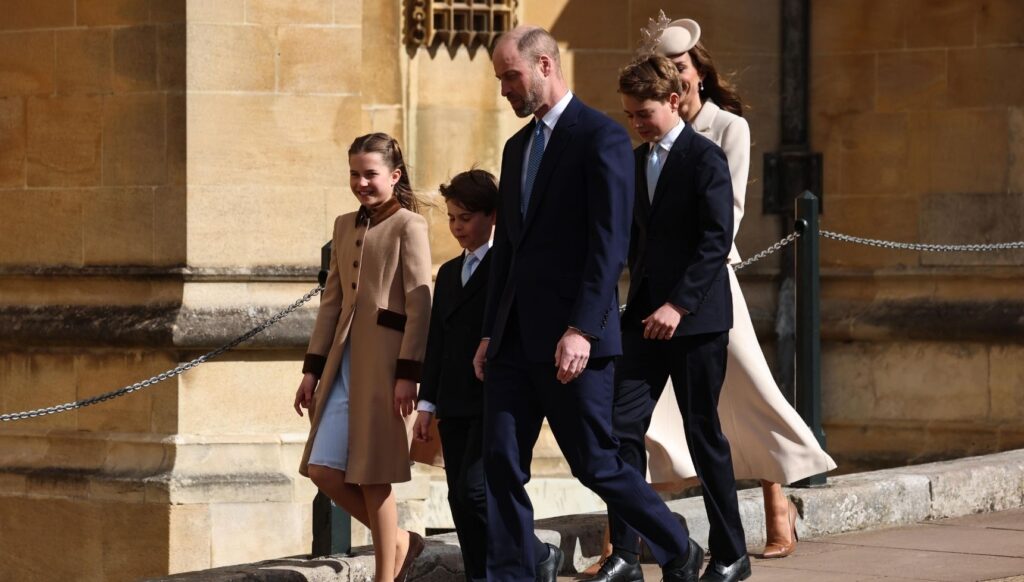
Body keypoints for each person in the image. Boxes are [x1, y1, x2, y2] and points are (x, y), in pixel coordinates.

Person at [473, 25, 705, 582]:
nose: (504, 88)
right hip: (513, 340)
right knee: (499, 464)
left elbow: (610, 245)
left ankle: (677, 545)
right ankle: (514, 574)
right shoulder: (515, 148)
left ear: (546, 66)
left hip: (573, 339)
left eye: (512, 75)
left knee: (596, 464)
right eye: (501, 77)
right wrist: (488, 332)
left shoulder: (599, 137)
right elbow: (507, 250)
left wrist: (581, 328)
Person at [644, 15, 836, 559]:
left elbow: (725, 215)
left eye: (682, 68)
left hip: (708, 280)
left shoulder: (728, 127)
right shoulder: (652, 132)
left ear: (700, 70)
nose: (677, 81)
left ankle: (779, 502)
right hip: (660, 288)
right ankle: (632, 532)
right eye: (667, 72)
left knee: (745, 390)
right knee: (652, 405)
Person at [599, 54, 750, 582]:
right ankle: (627, 551)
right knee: (619, 431)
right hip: (641, 320)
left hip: (697, 321)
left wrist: (678, 305)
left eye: (644, 112)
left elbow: (716, 240)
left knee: (703, 433)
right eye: (629, 115)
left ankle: (732, 554)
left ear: (673, 100)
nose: (637, 123)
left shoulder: (705, 158)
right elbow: (630, 244)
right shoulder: (637, 162)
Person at [293, 132, 432, 582]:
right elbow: (331, 304)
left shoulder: (410, 225)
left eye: (370, 174)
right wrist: (311, 370)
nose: (361, 182)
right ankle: (401, 542)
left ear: (394, 175)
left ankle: (385, 576)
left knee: (374, 474)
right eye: (355, 173)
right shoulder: (342, 225)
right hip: (341, 365)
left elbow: (420, 303)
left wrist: (409, 374)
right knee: (322, 469)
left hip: (386, 367)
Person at [412, 169, 498, 582]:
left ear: (491, 216)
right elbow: (437, 344)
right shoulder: (447, 273)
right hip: (453, 400)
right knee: (458, 496)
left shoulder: (506, 264)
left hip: (494, 397)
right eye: (451, 217)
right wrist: (426, 404)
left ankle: (534, 554)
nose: (457, 226)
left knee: (476, 491)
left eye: (465, 217)